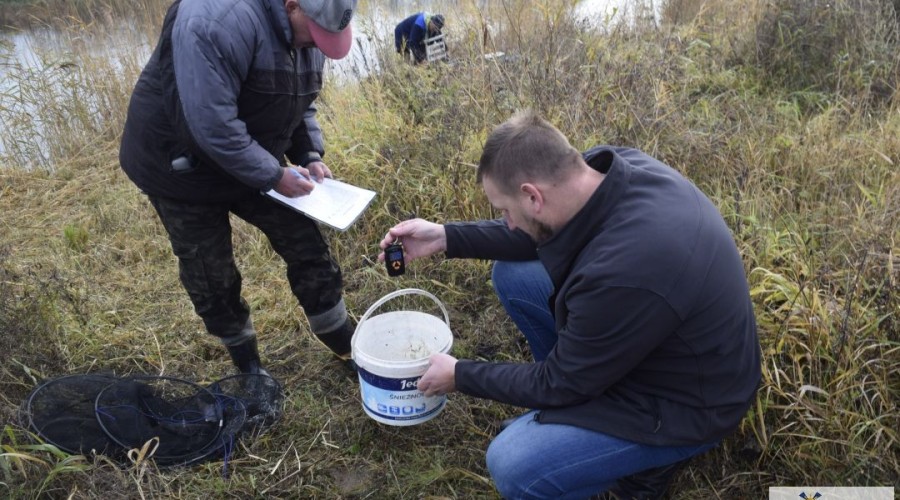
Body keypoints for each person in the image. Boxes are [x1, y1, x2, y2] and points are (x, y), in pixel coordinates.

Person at [378, 111, 761, 498]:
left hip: (688, 404)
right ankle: (571, 413)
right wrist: (444, 237)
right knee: (513, 277)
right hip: (650, 345)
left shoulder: (624, 272)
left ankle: (650, 463)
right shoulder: (601, 172)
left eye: (505, 210)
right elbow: (535, 231)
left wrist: (461, 375)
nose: (506, 222)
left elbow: (559, 381)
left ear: (532, 195)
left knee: (513, 464)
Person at [118, 0, 359, 376]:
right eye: (313, 36)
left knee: (304, 239)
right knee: (212, 272)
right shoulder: (215, 21)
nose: (314, 46)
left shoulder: (308, 34)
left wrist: (308, 152)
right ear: (292, 5)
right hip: (178, 165)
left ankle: (341, 339)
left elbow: (300, 99)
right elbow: (211, 125)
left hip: (248, 153)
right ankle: (248, 367)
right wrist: (274, 175)